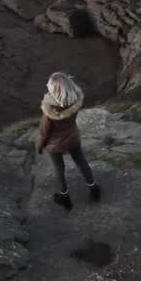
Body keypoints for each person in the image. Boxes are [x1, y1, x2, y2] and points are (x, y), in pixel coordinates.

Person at [36, 72, 100, 209]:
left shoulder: (50, 112)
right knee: (81, 162)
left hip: (55, 144)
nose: (47, 86)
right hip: (73, 137)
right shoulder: (74, 102)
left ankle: (65, 197)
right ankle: (94, 189)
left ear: (55, 90)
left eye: (50, 85)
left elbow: (44, 133)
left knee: (59, 168)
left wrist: (40, 146)